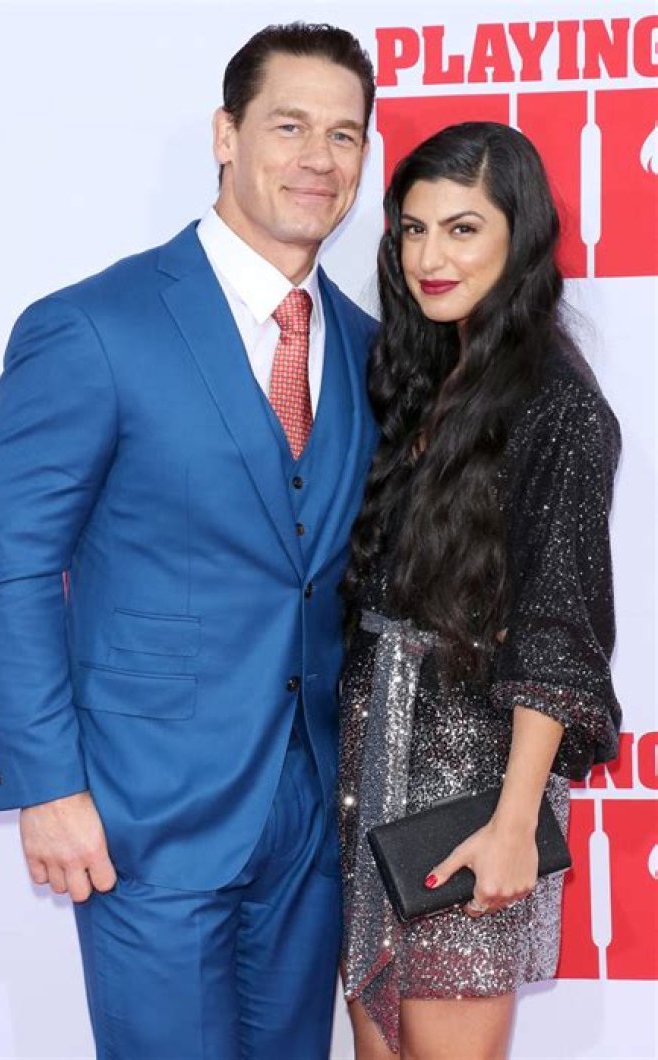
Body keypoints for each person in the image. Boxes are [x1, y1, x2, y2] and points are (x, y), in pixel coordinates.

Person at [0, 22, 377, 1060]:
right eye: (289, 126)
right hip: (141, 812)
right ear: (226, 136)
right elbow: (8, 566)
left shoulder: (372, 349)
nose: (319, 159)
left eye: (344, 134)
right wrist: (48, 786)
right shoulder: (96, 326)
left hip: (310, 820)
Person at [339, 121, 622, 1060]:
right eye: (414, 230)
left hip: (469, 792)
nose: (430, 258)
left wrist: (513, 824)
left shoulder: (560, 406)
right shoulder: (425, 378)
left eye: (462, 229)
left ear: (519, 234)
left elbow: (559, 628)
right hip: (371, 775)